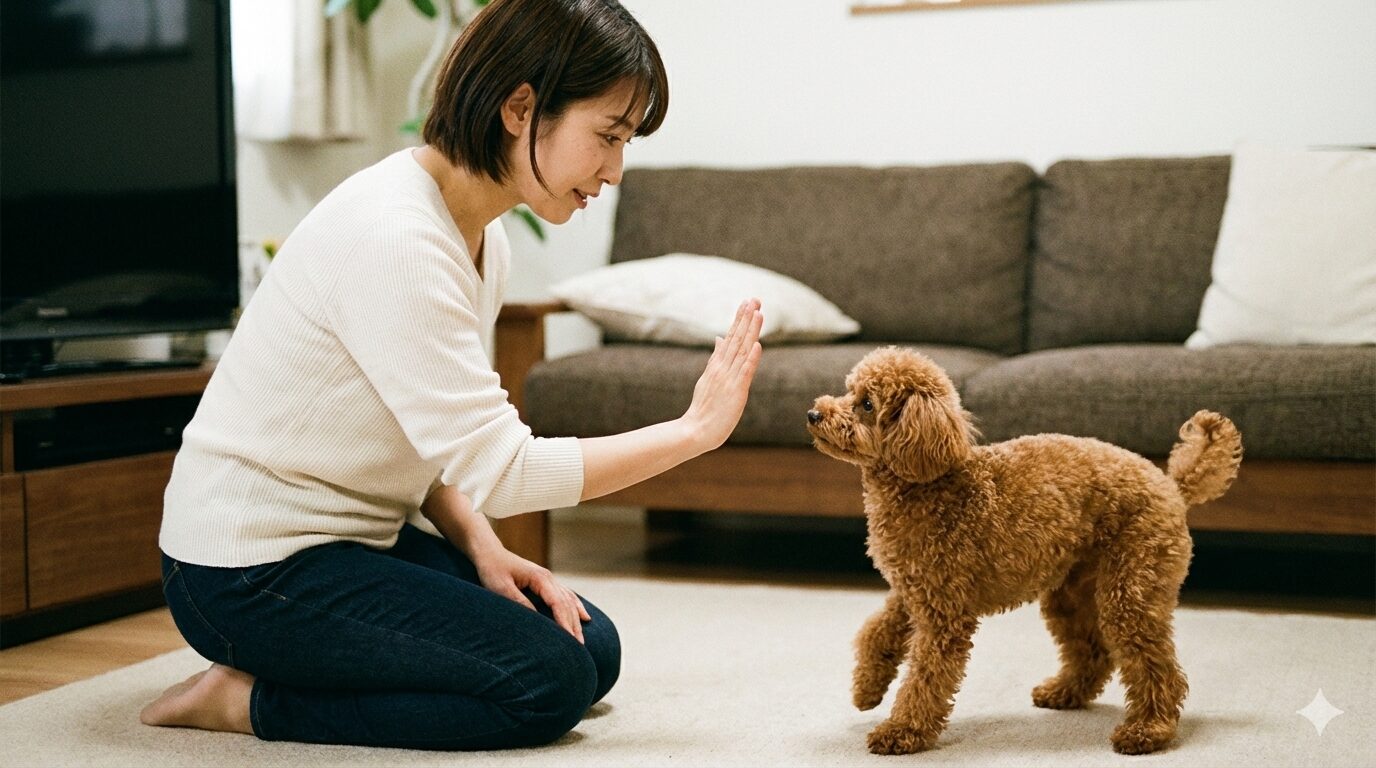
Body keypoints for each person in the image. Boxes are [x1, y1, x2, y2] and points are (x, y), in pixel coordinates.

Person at [139, 0, 763, 751]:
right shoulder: (396, 238)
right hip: (243, 570)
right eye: (607, 136)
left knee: (591, 649)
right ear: (520, 106)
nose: (616, 171)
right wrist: (692, 433)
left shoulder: (478, 238)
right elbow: (505, 468)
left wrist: (482, 547)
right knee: (545, 684)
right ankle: (247, 701)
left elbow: (437, 442)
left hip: (351, 539)